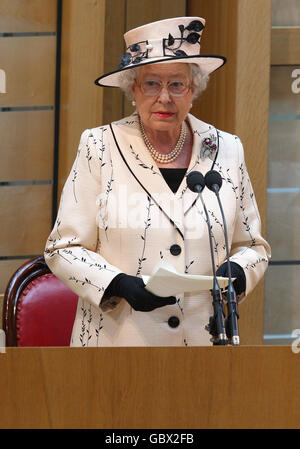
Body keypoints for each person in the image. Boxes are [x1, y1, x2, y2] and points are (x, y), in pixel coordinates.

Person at [44, 17, 271, 347]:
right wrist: (119, 283)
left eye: (177, 85)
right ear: (133, 89)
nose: (164, 97)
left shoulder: (227, 148)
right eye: (151, 84)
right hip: (119, 346)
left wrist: (237, 273)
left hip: (206, 346)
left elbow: (252, 247)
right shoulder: (100, 146)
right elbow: (63, 248)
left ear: (193, 90)